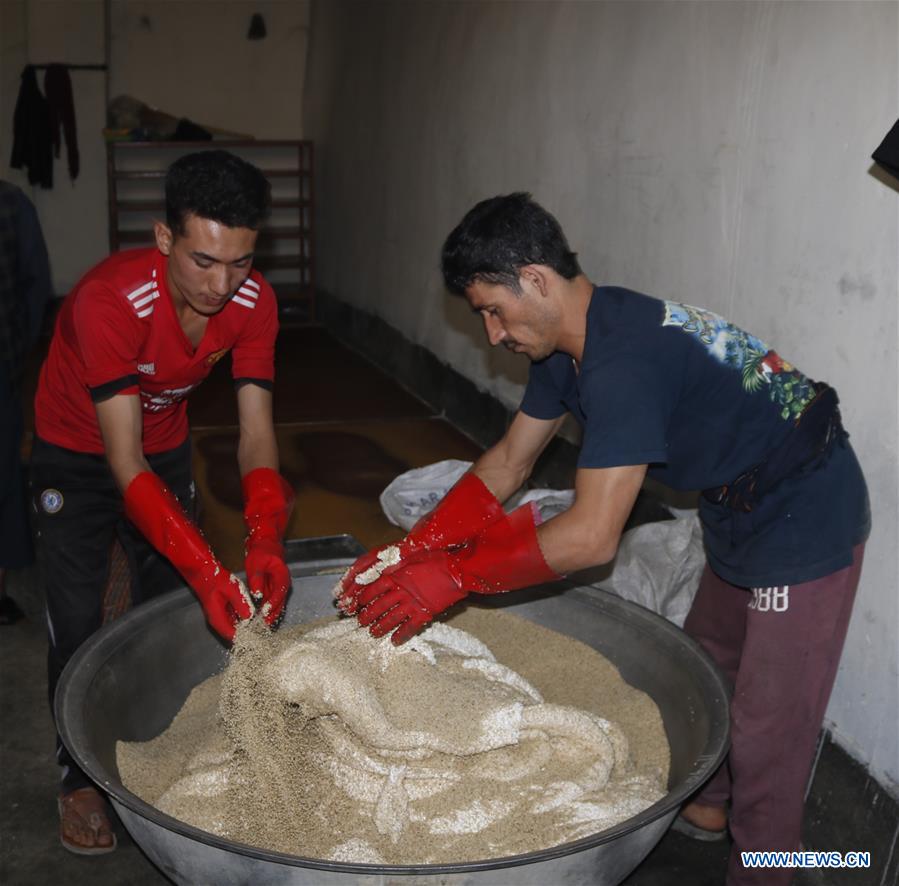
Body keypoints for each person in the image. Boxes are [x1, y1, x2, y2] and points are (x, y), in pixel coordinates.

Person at [338, 193, 870, 885]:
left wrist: (456, 576)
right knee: (710, 663)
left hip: (804, 508)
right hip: (736, 502)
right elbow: (509, 462)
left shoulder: (623, 363)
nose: (492, 335)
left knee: (770, 729)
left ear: (534, 279)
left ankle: (772, 867)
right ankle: (708, 809)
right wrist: (414, 551)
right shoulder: (570, 343)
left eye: (493, 310)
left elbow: (591, 538)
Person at [31, 150, 295, 855]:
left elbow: (256, 434)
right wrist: (208, 569)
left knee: (171, 606)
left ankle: (171, 741)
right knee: (78, 618)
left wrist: (266, 533)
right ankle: (77, 780)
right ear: (163, 237)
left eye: (239, 262)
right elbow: (123, 461)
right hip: (77, 454)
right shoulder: (110, 301)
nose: (221, 284)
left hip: (165, 447)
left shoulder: (253, 302)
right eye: (203, 260)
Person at [0, 180, 51, 624]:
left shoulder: (12, 205)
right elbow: (36, 288)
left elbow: (35, 288)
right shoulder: (12, 204)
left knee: (4, 476)